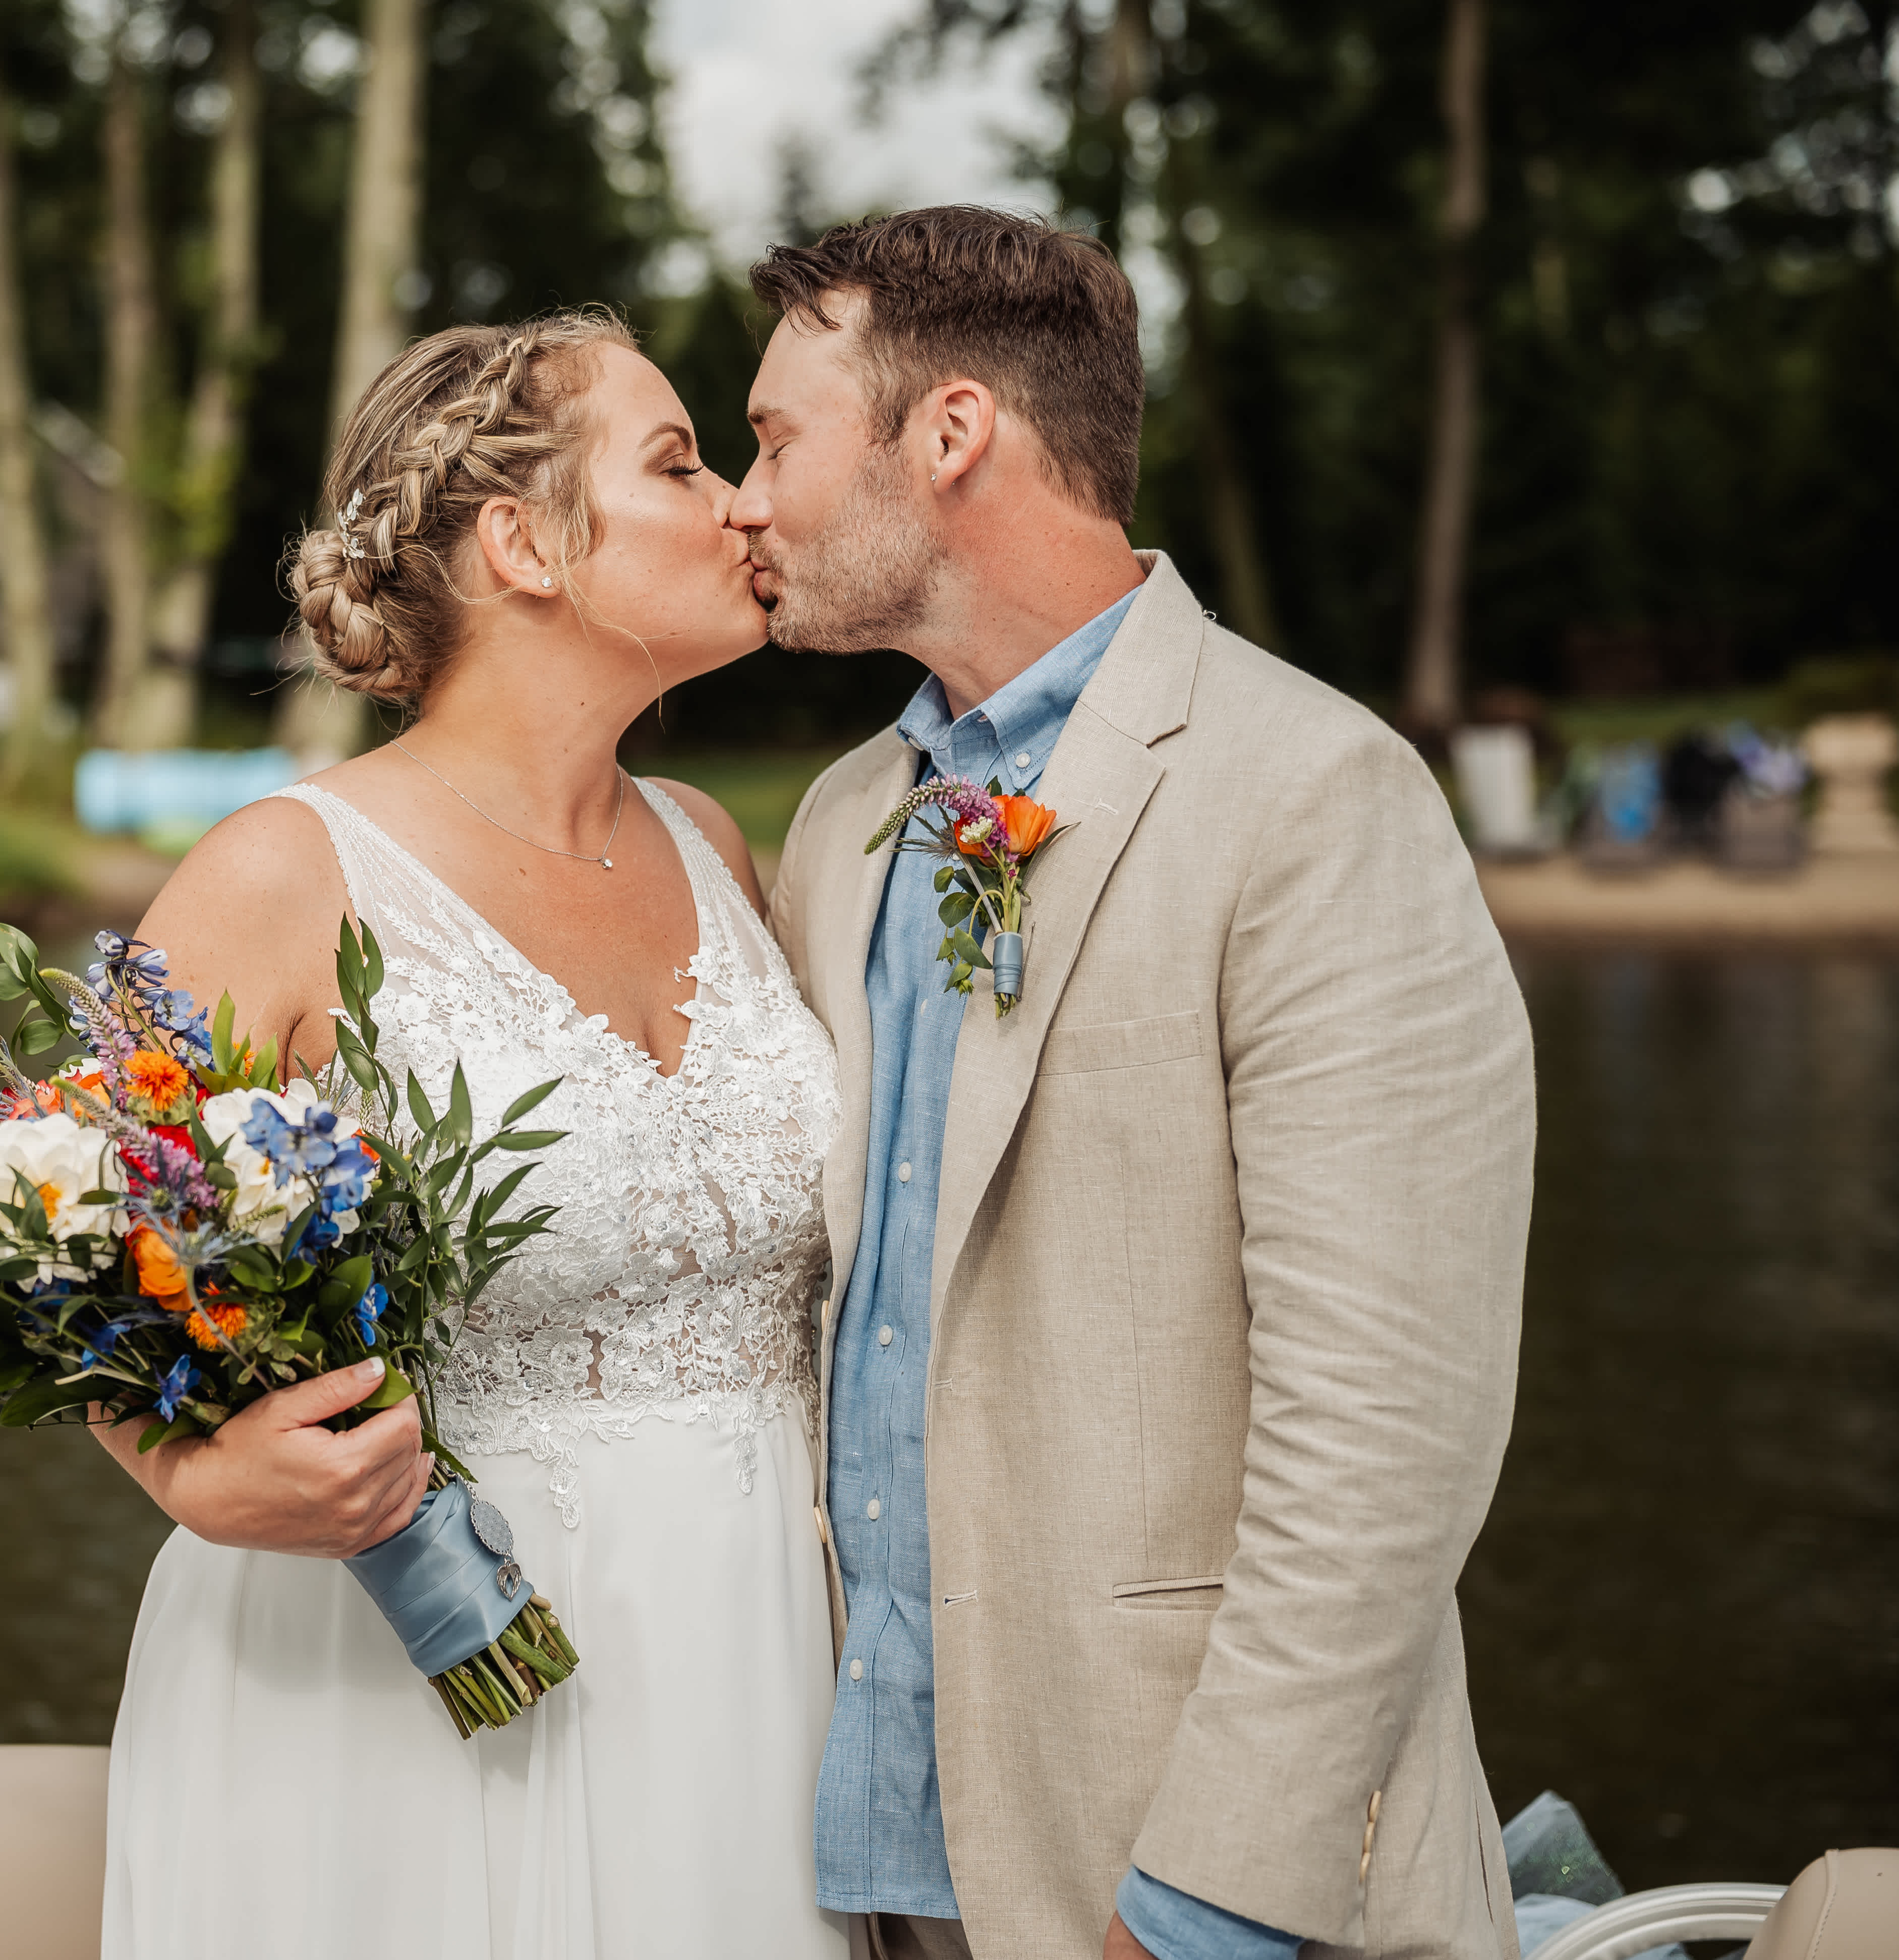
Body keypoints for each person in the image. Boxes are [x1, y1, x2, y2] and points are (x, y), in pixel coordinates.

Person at [744, 206, 1536, 1960]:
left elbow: (1388, 1431)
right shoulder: (843, 822)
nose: (746, 499)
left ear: (951, 433)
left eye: (776, 440)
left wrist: (1206, 1903)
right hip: (880, 1863)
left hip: (1179, 1871)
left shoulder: (1318, 794)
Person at [94, 311, 853, 1959]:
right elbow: (67, 1255)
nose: (738, 503)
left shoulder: (715, 846)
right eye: (678, 464)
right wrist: (193, 1477)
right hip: (395, 1690)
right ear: (522, 544)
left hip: (744, 1665)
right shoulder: (278, 874)